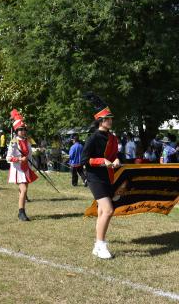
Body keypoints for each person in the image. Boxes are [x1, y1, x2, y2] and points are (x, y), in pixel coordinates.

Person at [80, 100, 120, 259]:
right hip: (94, 177)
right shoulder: (93, 138)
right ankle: (101, 245)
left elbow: (115, 155)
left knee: (102, 211)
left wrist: (116, 160)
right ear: (101, 121)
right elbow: (84, 160)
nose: (111, 120)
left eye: (111, 118)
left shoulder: (113, 138)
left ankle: (97, 245)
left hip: (109, 177)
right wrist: (101, 161)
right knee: (109, 210)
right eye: (108, 118)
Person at [6, 109, 38, 221]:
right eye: (21, 129)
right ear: (16, 131)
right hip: (17, 170)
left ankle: (22, 209)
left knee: (23, 191)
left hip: (26, 169)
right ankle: (21, 213)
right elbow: (8, 158)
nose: (23, 131)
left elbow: (29, 156)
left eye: (24, 129)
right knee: (23, 190)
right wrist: (19, 159)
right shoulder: (14, 142)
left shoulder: (27, 141)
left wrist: (32, 165)